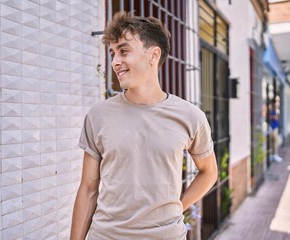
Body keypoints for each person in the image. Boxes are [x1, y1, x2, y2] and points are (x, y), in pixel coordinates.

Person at [70, 11, 218, 240]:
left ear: (153, 55)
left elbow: (209, 171)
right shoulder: (98, 116)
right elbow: (88, 188)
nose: (115, 62)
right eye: (112, 54)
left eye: (124, 51)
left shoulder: (190, 116)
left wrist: (179, 206)